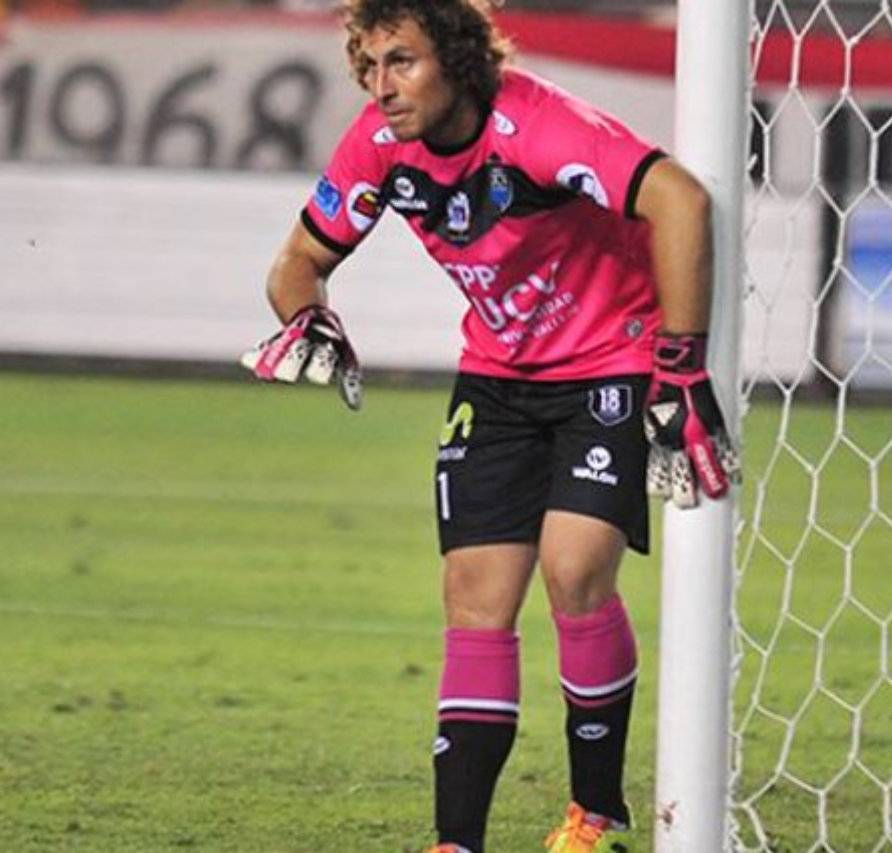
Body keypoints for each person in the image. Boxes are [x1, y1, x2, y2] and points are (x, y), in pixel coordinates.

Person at [241, 1, 739, 850]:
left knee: (574, 569)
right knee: (474, 594)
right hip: (498, 379)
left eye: (402, 61)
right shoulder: (379, 145)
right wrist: (307, 315)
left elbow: (682, 199)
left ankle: (594, 814)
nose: (381, 86)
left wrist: (681, 365)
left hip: (608, 365)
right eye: (368, 65)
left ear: (458, 58)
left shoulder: (540, 127)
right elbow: (299, 259)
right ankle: (455, 841)